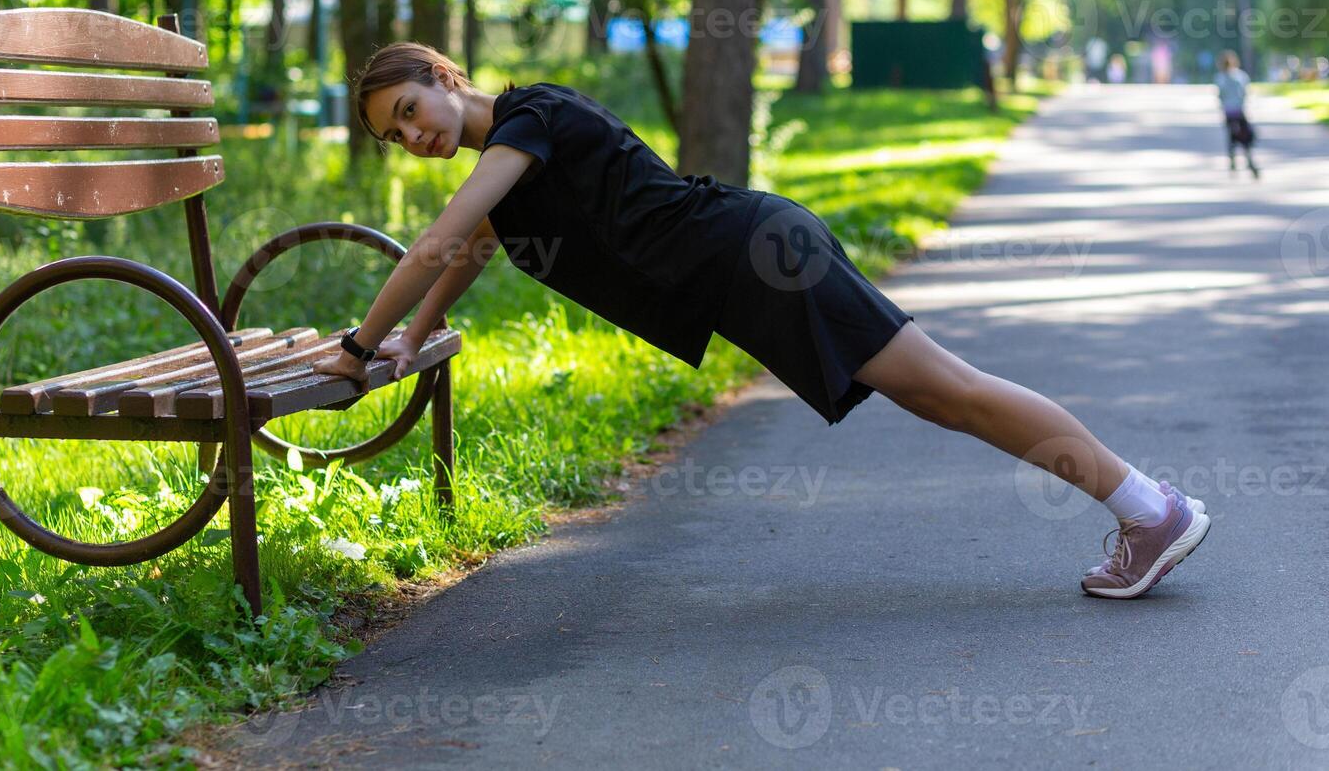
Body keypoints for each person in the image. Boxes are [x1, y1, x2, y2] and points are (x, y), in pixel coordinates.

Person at [312, 42, 1212, 599]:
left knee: (954, 392)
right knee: (944, 398)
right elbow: (464, 252)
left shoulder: (528, 118)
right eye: (395, 138)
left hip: (760, 258)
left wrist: (358, 350)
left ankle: (1149, 508)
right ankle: (1145, 508)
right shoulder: (511, 154)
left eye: (408, 113)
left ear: (440, 75)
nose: (414, 137)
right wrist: (413, 332)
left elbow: (440, 239)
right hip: (750, 269)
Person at [1214, 50, 1261, 179]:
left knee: (1231, 137)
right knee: (1245, 137)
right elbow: (1245, 93)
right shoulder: (1241, 76)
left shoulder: (1220, 77)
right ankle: (1249, 160)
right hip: (1239, 111)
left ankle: (1232, 160)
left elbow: (1220, 95)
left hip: (1229, 112)